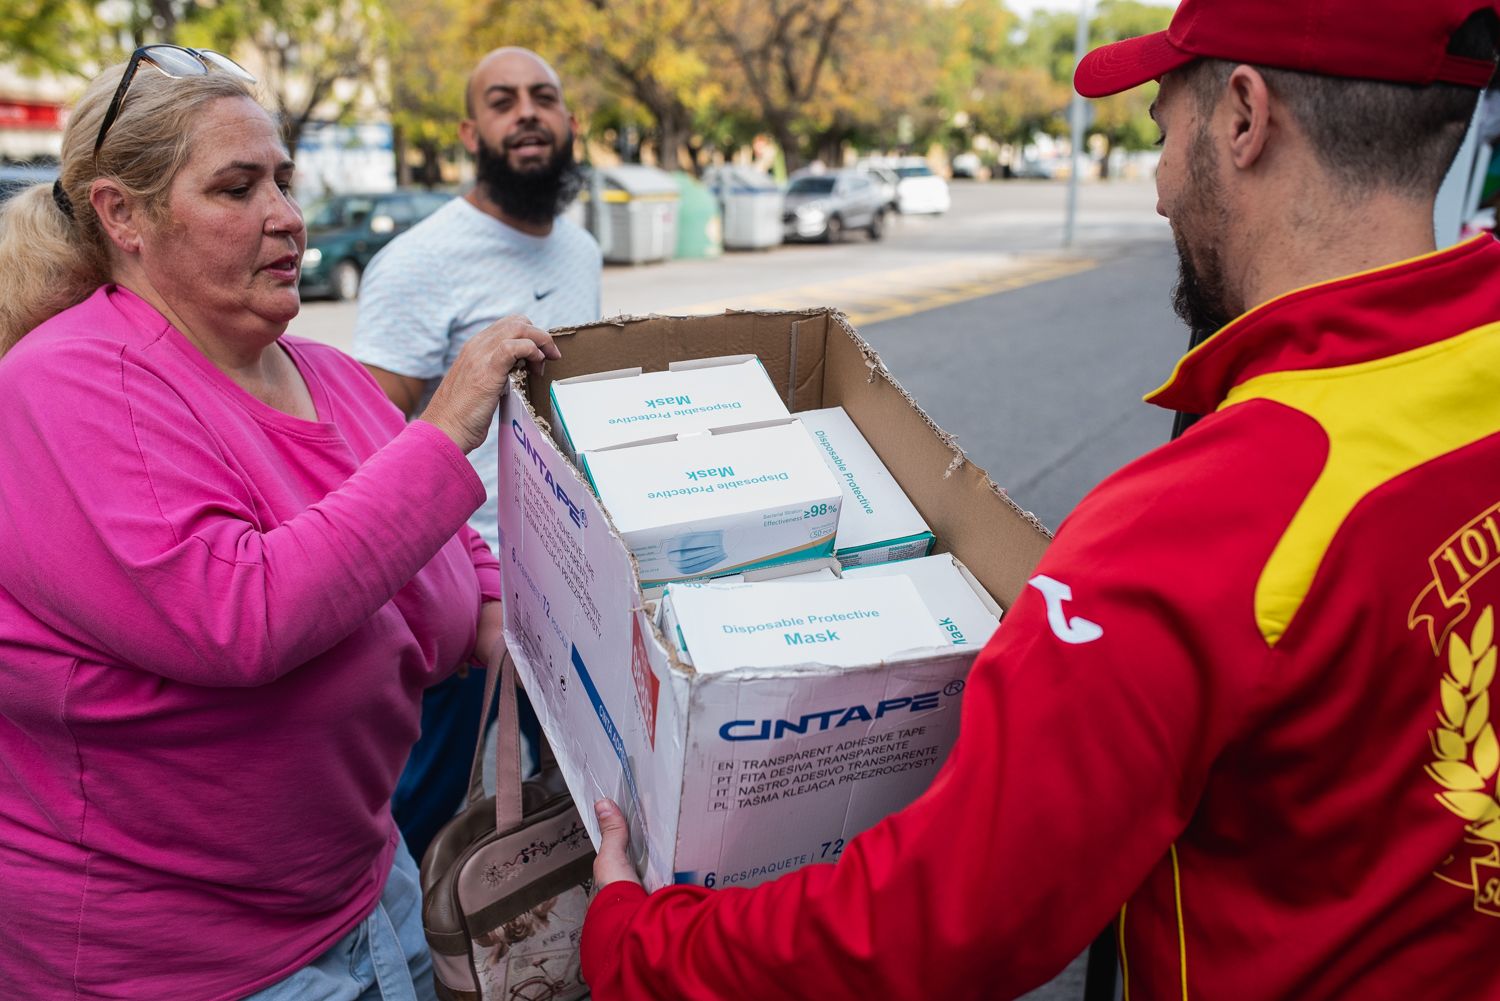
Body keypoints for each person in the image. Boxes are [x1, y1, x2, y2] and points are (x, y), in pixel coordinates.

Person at [579, 0, 1500, 998]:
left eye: (1161, 127)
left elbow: (934, 924)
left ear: (1244, 118)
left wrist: (638, 942)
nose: (1156, 189)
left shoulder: (1202, 526)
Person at [0, 47, 558, 1000]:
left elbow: (439, 538)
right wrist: (447, 426)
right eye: (236, 187)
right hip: (181, 961)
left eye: (285, 182)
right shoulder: (64, 384)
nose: (287, 217)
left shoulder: (321, 371)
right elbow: (239, 612)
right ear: (120, 214)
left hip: (360, 890)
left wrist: (499, 612)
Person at [351, 47, 602, 861]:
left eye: (543, 96)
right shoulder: (419, 263)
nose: (526, 112)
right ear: (470, 130)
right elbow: (367, 442)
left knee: (570, 797)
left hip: (570, 584)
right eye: (502, 100)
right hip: (463, 602)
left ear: (570, 123)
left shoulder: (579, 248)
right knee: (431, 819)